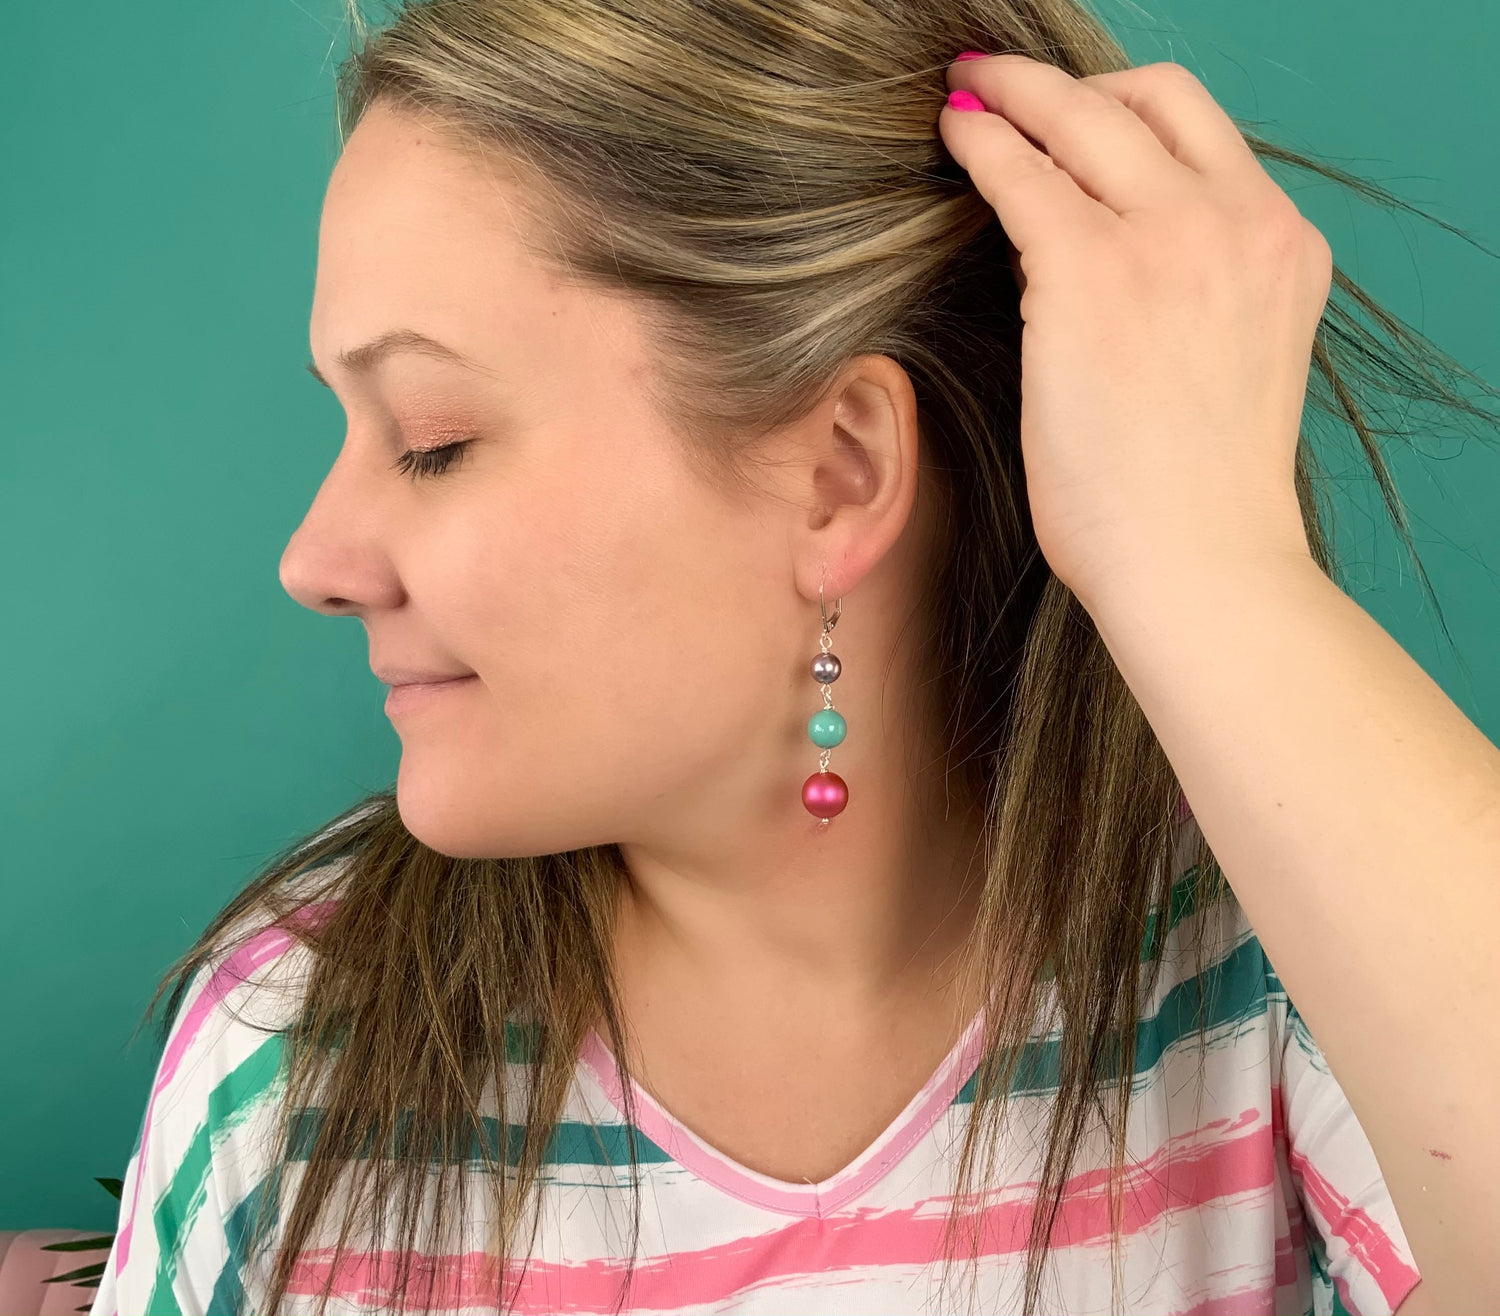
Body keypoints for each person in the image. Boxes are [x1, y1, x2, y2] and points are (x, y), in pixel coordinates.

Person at [90, 0, 1500, 1312]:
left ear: (836, 474)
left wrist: (1206, 551)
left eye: (432, 439)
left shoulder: (1277, 979)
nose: (313, 561)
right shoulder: (289, 1053)